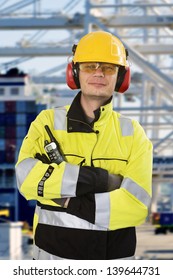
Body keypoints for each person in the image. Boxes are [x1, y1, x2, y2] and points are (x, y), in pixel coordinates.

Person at [15, 30, 153, 260]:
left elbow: (136, 206)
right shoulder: (47, 122)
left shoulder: (133, 133)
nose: (99, 73)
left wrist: (66, 199)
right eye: (90, 66)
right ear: (74, 73)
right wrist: (97, 180)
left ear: (120, 77)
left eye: (108, 67)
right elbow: (26, 178)